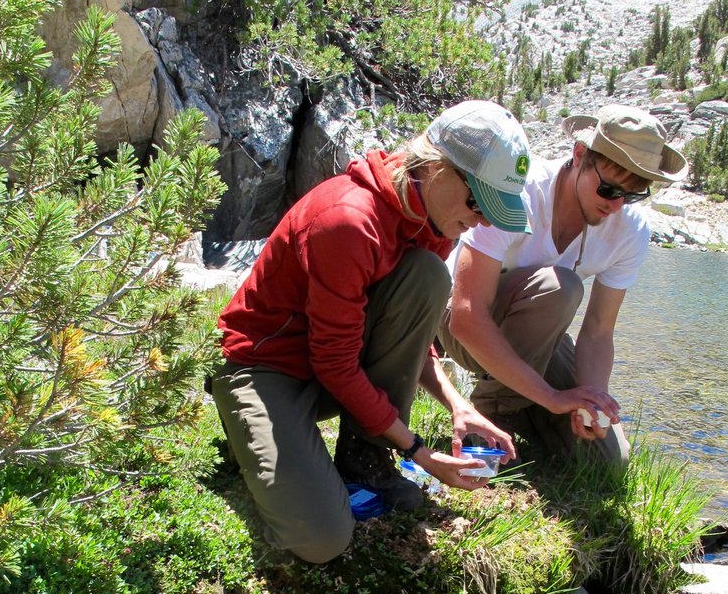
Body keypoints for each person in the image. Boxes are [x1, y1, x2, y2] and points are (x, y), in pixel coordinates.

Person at [210, 100, 528, 564]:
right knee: (322, 539)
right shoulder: (349, 221)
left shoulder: (435, 218)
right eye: (479, 202)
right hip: (264, 368)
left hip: (328, 365)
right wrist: (421, 454)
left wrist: (459, 406)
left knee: (428, 276)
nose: (482, 220)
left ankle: (365, 462)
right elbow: (335, 363)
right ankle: (248, 422)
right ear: (439, 168)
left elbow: (406, 336)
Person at [438, 104, 688, 465]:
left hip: (538, 337)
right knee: (562, 288)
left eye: (632, 195)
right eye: (607, 189)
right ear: (580, 154)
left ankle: (522, 402)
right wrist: (552, 398)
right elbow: (466, 313)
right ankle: (493, 411)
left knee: (606, 461)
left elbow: (599, 333)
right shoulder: (520, 194)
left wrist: (592, 404)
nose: (616, 206)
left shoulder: (631, 230)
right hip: (455, 324)